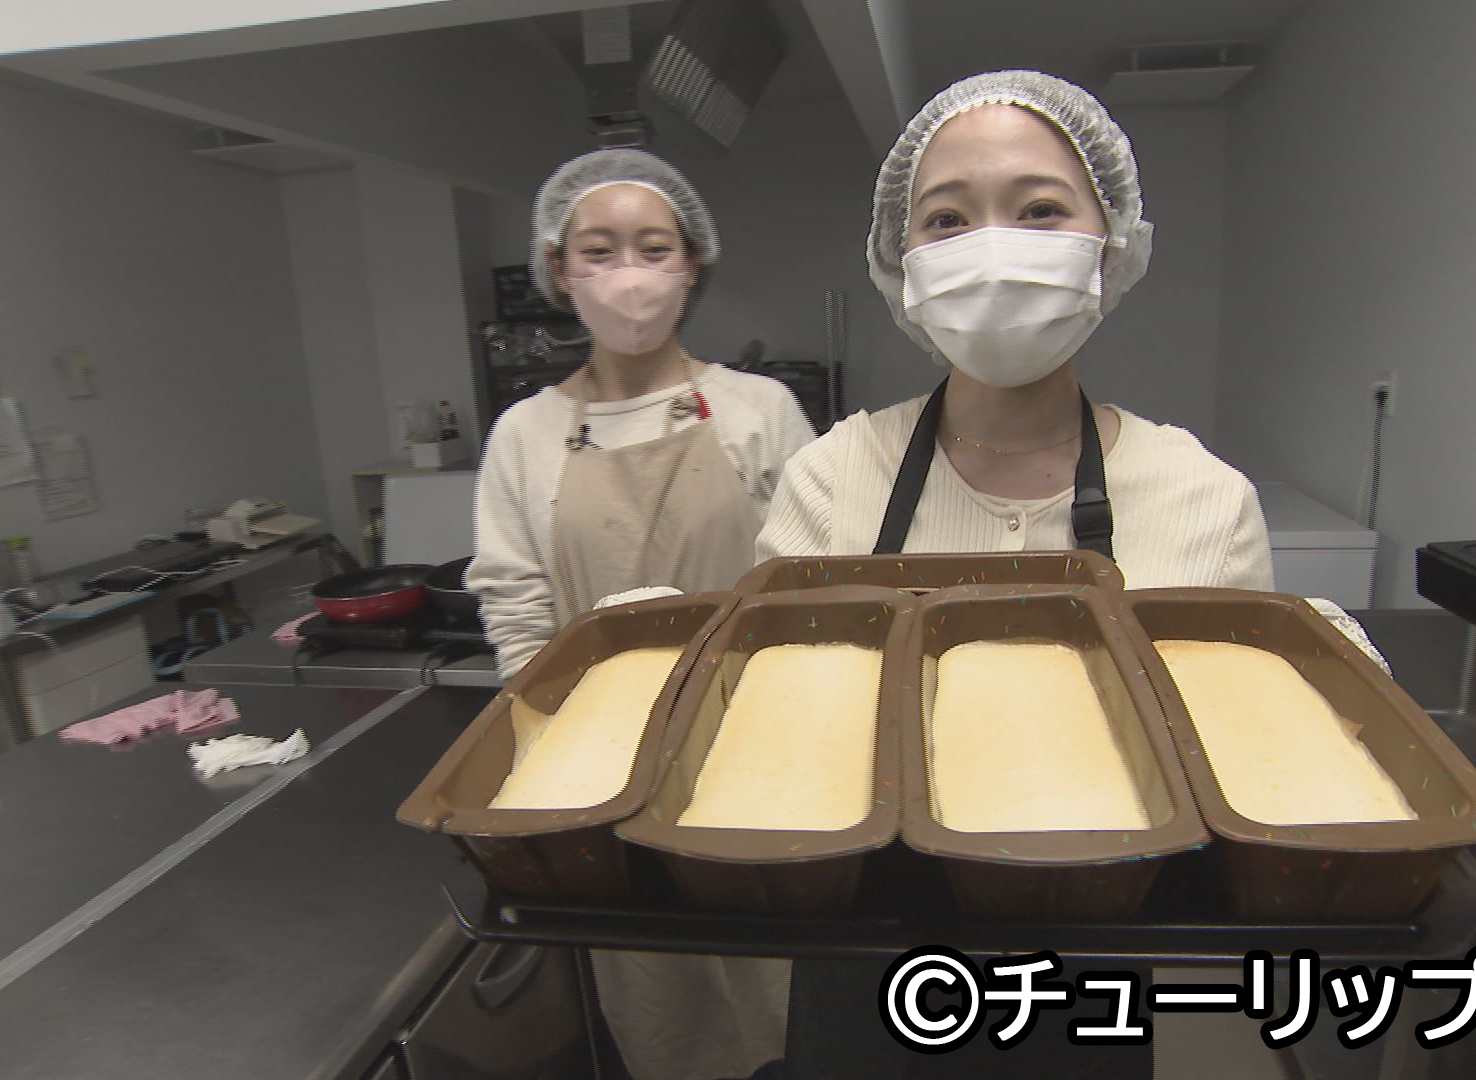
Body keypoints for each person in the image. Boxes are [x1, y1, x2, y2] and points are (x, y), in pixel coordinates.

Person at [756, 71, 1275, 1078]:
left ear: (1110, 242)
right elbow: (781, 735)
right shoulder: (831, 479)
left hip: (1095, 952)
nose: (993, 248)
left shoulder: (1202, 499)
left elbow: (1236, 766)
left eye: (1039, 210)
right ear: (900, 262)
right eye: (947, 219)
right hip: (868, 953)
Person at [466, 147, 812, 1080]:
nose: (628, 273)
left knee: (779, 989)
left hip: (755, 754)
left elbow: (811, 586)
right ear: (559, 268)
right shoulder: (526, 435)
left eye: (653, 248)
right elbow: (516, 607)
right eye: (600, 249)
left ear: (692, 263)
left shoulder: (758, 409)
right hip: (598, 773)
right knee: (657, 997)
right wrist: (551, 759)